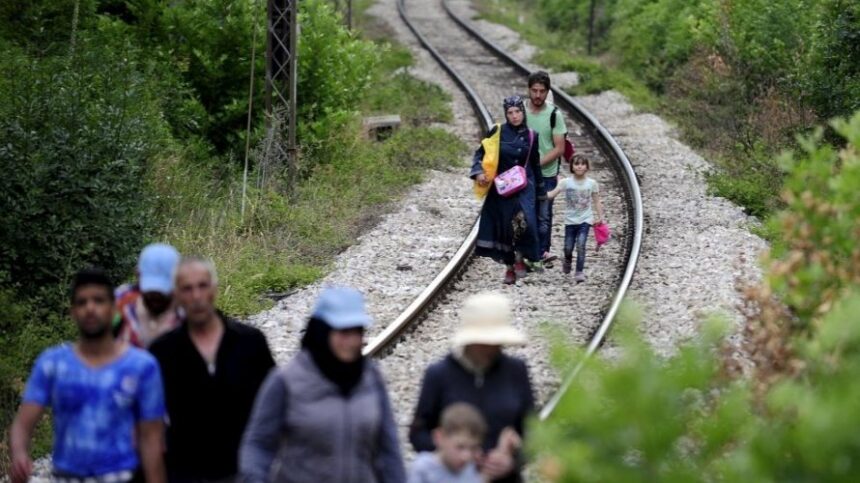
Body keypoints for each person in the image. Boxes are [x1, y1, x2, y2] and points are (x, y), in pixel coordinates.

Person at [9, 268, 166, 483]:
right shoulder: (53, 364)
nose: (90, 308)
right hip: (68, 476)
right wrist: (19, 453)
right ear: (72, 312)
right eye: (82, 302)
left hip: (122, 476)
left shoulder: (141, 367)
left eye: (99, 301)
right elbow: (23, 424)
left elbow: (151, 439)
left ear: (114, 308)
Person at [239, 287, 405, 482]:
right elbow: (258, 444)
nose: (352, 341)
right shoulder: (286, 381)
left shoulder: (371, 378)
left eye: (357, 331)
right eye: (343, 332)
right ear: (322, 331)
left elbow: (388, 449)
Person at [149, 257, 275, 482]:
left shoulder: (250, 342)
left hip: (245, 470)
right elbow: (151, 425)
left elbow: (274, 406)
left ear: (214, 289)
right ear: (176, 296)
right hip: (187, 473)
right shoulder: (163, 352)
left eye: (202, 286)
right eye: (187, 289)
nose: (196, 296)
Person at [409, 292, 534, 483]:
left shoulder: (516, 371)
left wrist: (513, 459)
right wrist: (455, 453)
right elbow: (418, 434)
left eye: (497, 342)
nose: (491, 348)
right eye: (484, 342)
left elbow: (533, 432)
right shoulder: (439, 375)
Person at [470, 95, 545, 284]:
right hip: (502, 186)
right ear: (506, 114)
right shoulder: (497, 132)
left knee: (526, 221)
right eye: (510, 112)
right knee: (505, 228)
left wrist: (541, 191)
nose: (514, 116)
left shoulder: (532, 135)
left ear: (523, 112)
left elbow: (535, 164)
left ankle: (520, 256)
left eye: (518, 111)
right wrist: (478, 173)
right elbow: (480, 154)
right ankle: (510, 266)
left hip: (525, 186)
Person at [526, 71, 568, 267]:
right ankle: (529, 252)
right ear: (529, 90)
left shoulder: (554, 115)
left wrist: (537, 163)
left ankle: (542, 251)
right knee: (526, 214)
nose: (537, 95)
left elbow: (559, 148)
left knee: (544, 215)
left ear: (547, 92)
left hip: (547, 173)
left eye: (542, 91)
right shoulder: (521, 112)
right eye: (534, 90)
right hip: (524, 174)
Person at [546, 154, 605, 282]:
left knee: (581, 245)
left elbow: (596, 201)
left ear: (587, 167)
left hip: (585, 220)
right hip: (570, 221)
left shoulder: (592, 184)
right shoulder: (566, 182)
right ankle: (567, 260)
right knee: (568, 247)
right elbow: (552, 194)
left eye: (582, 164)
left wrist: (600, 217)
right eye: (576, 164)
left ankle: (579, 271)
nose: (579, 167)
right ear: (572, 166)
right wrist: (539, 193)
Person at [115, 243, 182, 348]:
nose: (156, 296)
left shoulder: (186, 311)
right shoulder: (121, 301)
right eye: (150, 289)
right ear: (138, 275)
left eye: (162, 289)